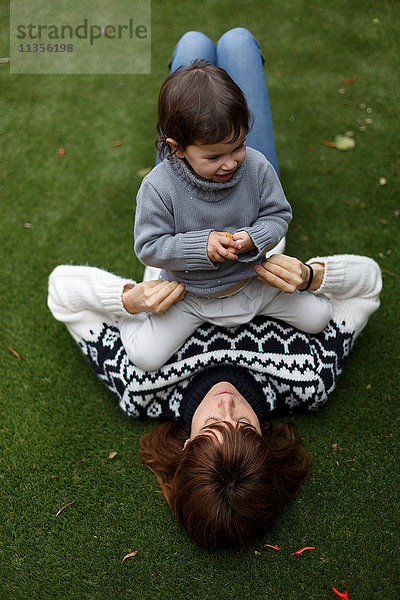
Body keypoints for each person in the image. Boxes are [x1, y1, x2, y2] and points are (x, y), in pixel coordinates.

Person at [47, 30, 382, 550]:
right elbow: (368, 286)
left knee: (192, 53)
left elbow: (62, 293)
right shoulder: (308, 379)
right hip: (244, 214)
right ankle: (224, 64)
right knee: (240, 44)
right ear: (265, 446)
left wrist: (128, 300)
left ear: (185, 450)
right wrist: (314, 275)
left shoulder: (141, 388)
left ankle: (191, 67)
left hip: (188, 200)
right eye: (244, 429)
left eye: (210, 432)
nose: (226, 407)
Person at [125, 30, 333, 372]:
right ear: (176, 148)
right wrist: (199, 246)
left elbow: (278, 214)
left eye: (237, 147)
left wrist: (256, 237)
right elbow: (148, 247)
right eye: (214, 156)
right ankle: (190, 54)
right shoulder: (158, 186)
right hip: (189, 294)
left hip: (253, 280)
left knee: (319, 318)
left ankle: (233, 50)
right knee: (144, 358)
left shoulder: (255, 164)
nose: (230, 163)